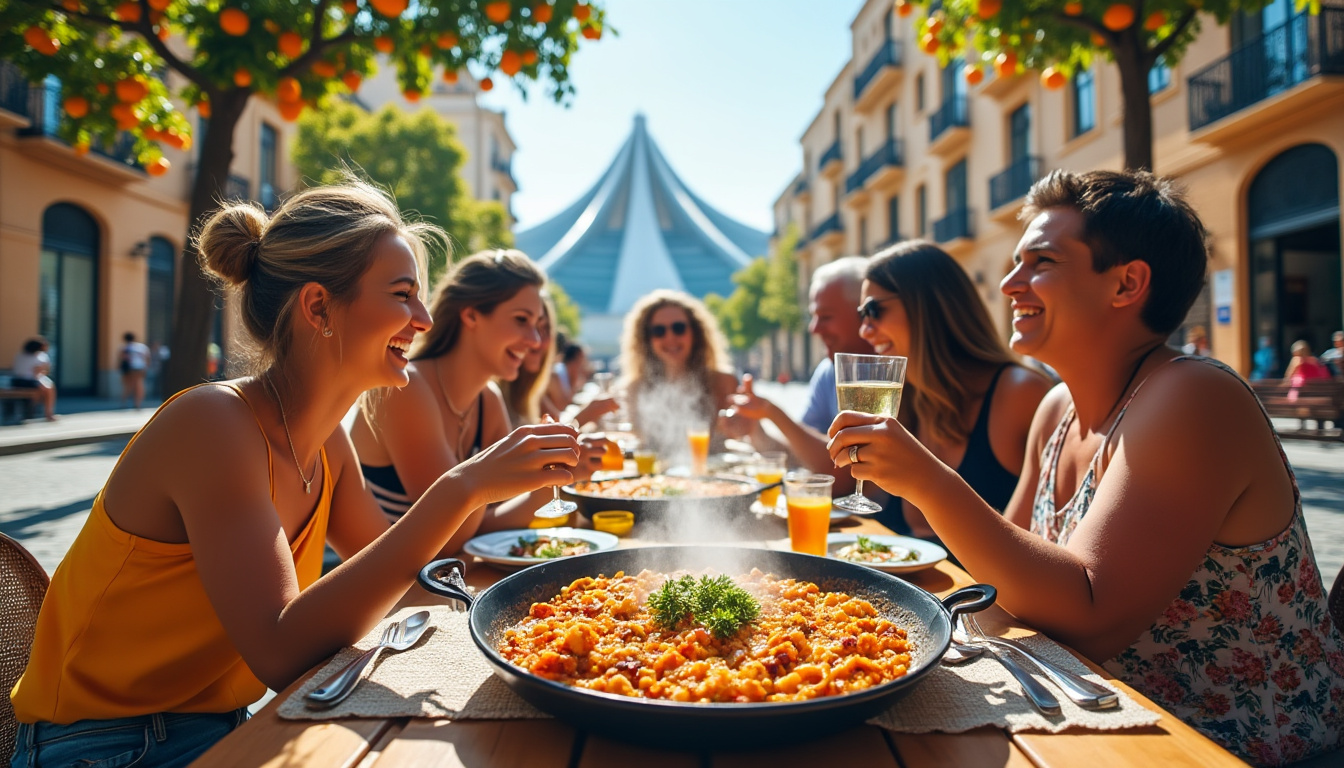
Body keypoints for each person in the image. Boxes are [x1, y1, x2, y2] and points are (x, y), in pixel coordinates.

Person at [8, 181, 582, 767]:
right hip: (104, 746)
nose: (424, 318)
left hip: (220, 726)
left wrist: (543, 614)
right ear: (317, 307)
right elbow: (280, 649)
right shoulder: (213, 423)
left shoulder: (325, 438)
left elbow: (398, 575)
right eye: (404, 294)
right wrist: (464, 487)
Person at [828, 170, 1343, 767]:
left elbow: (1093, 617)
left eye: (1040, 261)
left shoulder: (1194, 396)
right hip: (1094, 713)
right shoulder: (1057, 408)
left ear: (1127, 284)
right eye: (1015, 261)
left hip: (1228, 743)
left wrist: (926, 480)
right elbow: (997, 580)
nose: (1009, 283)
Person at [350, 249, 607, 550]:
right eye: (521, 320)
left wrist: (552, 478)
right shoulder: (405, 387)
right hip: (402, 594)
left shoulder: (488, 399)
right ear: (471, 314)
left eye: (537, 324)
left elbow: (488, 522)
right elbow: (453, 537)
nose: (535, 341)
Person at [855, 241, 1051, 538]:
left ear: (927, 305)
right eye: (862, 315)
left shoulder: (1019, 393)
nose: (864, 329)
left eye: (874, 310)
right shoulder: (906, 399)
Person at [719, 257, 873, 494]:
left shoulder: (890, 377)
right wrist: (756, 429)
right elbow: (804, 458)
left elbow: (844, 479)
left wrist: (773, 412)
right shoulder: (828, 371)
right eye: (813, 316)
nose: (814, 328)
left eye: (826, 316)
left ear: (864, 315)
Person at [618, 289, 738, 461]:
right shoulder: (634, 389)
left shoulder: (724, 382)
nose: (670, 337)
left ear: (695, 333)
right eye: (659, 331)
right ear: (647, 339)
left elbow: (750, 437)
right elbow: (630, 441)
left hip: (716, 483)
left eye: (679, 328)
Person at [10, 336, 57, 421]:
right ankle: (48, 413)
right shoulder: (40, 357)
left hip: (16, 381)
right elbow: (40, 373)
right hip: (30, 382)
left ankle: (29, 411)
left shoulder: (19, 355)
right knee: (48, 388)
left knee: (39, 390)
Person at [120, 331, 150, 409]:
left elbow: (124, 358)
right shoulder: (142, 347)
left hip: (131, 368)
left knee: (129, 385)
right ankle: (138, 403)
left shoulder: (125, 347)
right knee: (139, 385)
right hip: (141, 367)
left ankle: (124, 402)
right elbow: (147, 358)